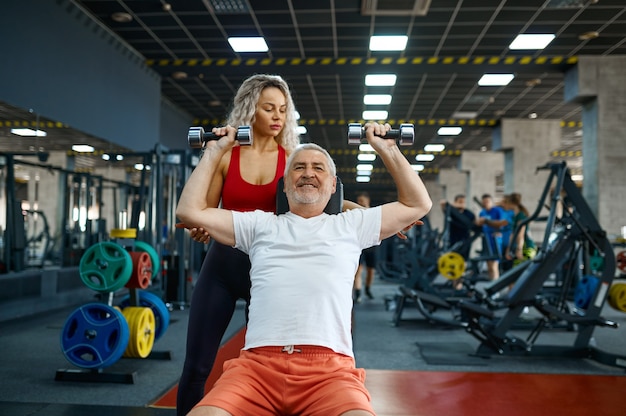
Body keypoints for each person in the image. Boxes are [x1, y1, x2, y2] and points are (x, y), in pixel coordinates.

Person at [175, 123, 432, 416]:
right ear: (285, 184)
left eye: (318, 168)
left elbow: (418, 203)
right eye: (299, 168)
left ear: (333, 185)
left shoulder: (352, 225)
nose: (308, 173)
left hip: (330, 372)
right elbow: (190, 211)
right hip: (256, 369)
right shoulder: (259, 225)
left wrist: (387, 148)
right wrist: (214, 151)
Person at [175, 74, 301, 416]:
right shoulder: (227, 155)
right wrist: (198, 229)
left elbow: (323, 199)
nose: (278, 116)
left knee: (264, 373)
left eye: (283, 110)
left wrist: (378, 214)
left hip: (268, 272)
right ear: (251, 110)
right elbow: (198, 212)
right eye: (268, 108)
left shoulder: (291, 159)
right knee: (196, 368)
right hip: (221, 269)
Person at [476, 194, 510, 281]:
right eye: (484, 202)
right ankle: (491, 285)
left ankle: (496, 288)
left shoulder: (498, 211)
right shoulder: (482, 213)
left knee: (494, 265)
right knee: (489, 265)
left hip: (496, 240)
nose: (486, 204)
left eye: (487, 202)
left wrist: (488, 222)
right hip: (486, 240)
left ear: (491, 202)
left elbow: (502, 223)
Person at [353, 192, 377, 303]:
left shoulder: (374, 213)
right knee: (358, 270)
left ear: (368, 201)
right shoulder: (355, 213)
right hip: (359, 246)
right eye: (358, 201)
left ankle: (367, 289)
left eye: (362, 200)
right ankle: (357, 294)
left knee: (371, 271)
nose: (360, 202)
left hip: (371, 246)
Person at [502, 192, 537, 266]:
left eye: (505, 202)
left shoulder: (521, 215)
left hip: (526, 247)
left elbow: (521, 234)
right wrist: (509, 248)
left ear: (511, 203)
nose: (503, 205)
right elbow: (512, 234)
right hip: (519, 246)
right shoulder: (514, 216)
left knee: (525, 273)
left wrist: (519, 249)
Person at [440, 194, 476, 259]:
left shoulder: (469, 213)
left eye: (463, 202)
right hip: (453, 240)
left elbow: (474, 223)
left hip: (465, 240)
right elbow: (443, 203)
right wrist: (453, 205)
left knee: (464, 260)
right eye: (460, 202)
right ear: (455, 202)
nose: (462, 204)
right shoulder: (451, 211)